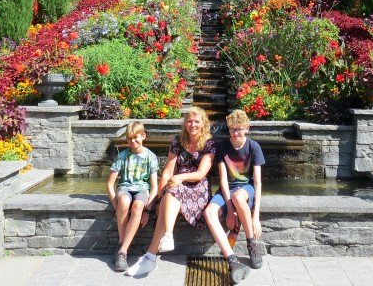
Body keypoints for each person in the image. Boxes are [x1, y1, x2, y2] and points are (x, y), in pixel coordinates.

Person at [125, 107, 216, 277]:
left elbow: (201, 173)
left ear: (203, 123)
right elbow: (167, 172)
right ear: (185, 123)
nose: (193, 124)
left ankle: (152, 256)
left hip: (198, 187)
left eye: (196, 121)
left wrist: (180, 178)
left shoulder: (209, 143)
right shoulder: (178, 141)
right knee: (168, 196)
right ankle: (163, 241)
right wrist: (158, 197)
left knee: (173, 190)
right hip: (177, 187)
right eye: (189, 121)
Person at [204, 110, 265, 284]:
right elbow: (223, 179)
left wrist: (256, 217)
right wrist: (230, 210)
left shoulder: (254, 147)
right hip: (226, 191)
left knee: (239, 196)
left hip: (246, 190)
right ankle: (232, 260)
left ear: (247, 128)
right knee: (209, 213)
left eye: (239, 129)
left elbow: (258, 183)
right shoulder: (222, 146)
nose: (235, 133)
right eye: (232, 129)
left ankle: (251, 244)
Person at [106, 122, 159, 272]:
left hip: (142, 189)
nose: (132, 142)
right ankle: (123, 248)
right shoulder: (122, 156)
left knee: (137, 206)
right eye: (129, 139)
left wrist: (148, 210)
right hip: (125, 188)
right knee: (123, 201)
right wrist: (117, 207)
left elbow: (154, 186)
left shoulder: (151, 157)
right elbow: (110, 184)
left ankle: (121, 250)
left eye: (135, 138)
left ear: (143, 136)